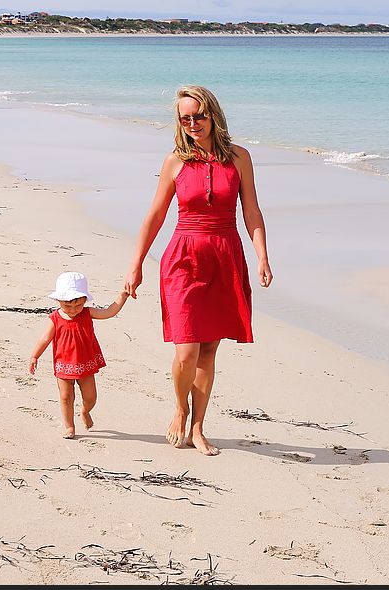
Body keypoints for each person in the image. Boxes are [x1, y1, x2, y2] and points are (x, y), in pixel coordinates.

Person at [125, 85, 273, 456]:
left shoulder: (240, 158)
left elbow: (251, 212)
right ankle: (180, 407)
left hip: (225, 256)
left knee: (208, 350)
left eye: (199, 115)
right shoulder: (175, 161)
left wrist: (262, 256)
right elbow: (156, 216)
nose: (193, 123)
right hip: (183, 258)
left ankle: (199, 427)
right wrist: (136, 264)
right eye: (185, 118)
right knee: (187, 349)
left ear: (214, 114)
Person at [29, 271, 129, 439]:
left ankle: (85, 411)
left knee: (91, 397)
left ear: (84, 300)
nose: (73, 310)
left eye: (78, 305)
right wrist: (34, 356)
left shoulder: (88, 313)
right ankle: (69, 426)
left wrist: (122, 297)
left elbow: (109, 312)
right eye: (68, 306)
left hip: (86, 363)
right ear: (58, 300)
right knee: (66, 397)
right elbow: (45, 338)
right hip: (64, 364)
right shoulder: (55, 318)